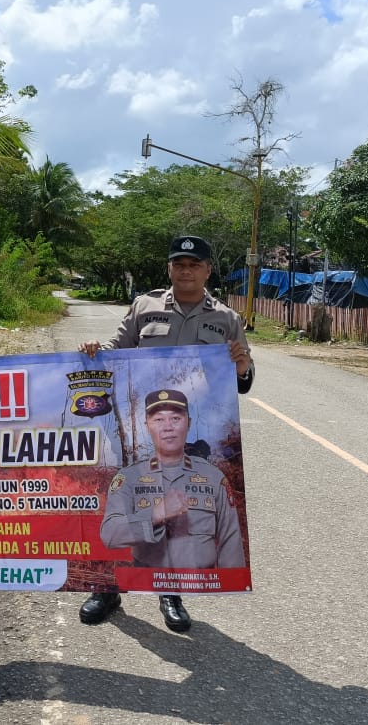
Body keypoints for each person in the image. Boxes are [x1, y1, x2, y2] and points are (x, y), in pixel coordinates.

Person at [78, 234, 254, 632]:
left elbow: (242, 381)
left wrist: (241, 364)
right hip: (136, 424)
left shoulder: (227, 319)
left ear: (208, 270)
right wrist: (94, 350)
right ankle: (106, 587)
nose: (186, 270)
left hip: (190, 431)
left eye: (194, 265)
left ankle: (168, 589)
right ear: (170, 268)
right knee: (118, 501)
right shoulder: (145, 306)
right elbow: (114, 350)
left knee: (176, 509)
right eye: (179, 264)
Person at [100, 389, 245, 569]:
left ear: (188, 423)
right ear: (147, 425)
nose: (168, 427)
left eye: (176, 418)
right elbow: (110, 534)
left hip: (201, 584)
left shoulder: (212, 476)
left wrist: (230, 584)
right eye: (159, 419)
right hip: (148, 581)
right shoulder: (129, 477)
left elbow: (230, 539)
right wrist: (155, 514)